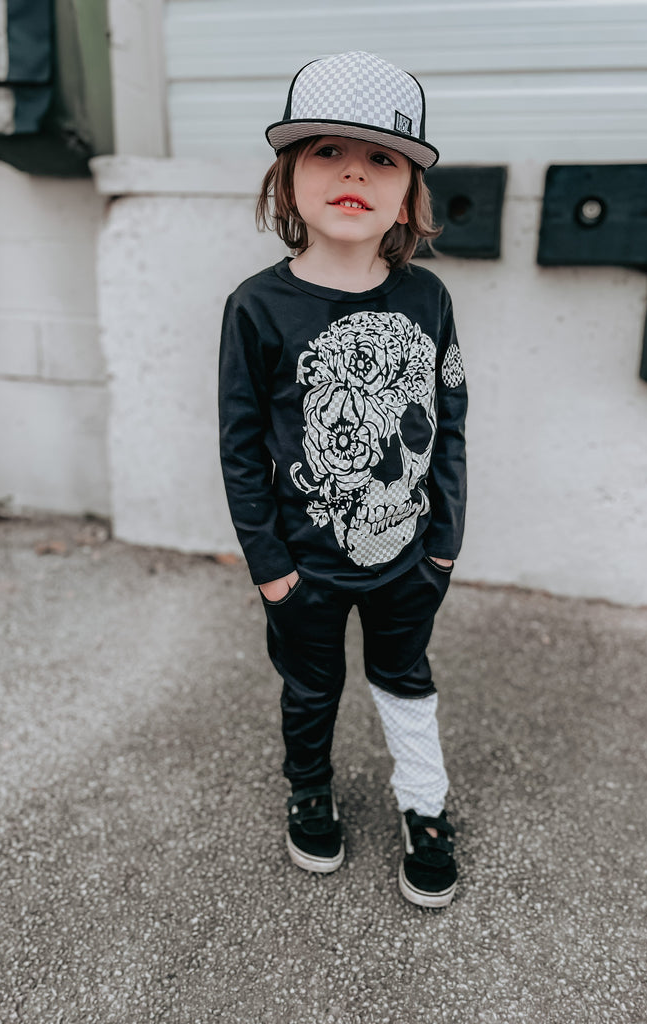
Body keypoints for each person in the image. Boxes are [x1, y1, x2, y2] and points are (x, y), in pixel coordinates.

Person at [219, 51, 468, 907]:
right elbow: (241, 448)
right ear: (287, 180)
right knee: (309, 688)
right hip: (304, 567)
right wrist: (271, 570)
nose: (354, 171)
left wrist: (443, 548)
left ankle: (424, 803)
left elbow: (450, 426)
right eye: (326, 150)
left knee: (407, 680)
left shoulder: (428, 301)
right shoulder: (257, 308)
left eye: (381, 158)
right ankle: (309, 788)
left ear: (408, 195)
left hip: (409, 558)